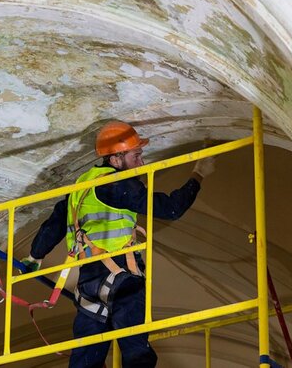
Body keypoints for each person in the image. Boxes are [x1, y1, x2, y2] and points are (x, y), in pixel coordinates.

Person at [21, 121, 214, 368]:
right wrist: (198, 174)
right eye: (136, 156)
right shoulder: (117, 184)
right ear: (115, 160)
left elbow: (55, 223)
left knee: (86, 356)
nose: (141, 163)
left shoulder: (81, 186)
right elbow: (171, 208)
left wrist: (34, 256)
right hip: (122, 274)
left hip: (89, 280)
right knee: (135, 349)